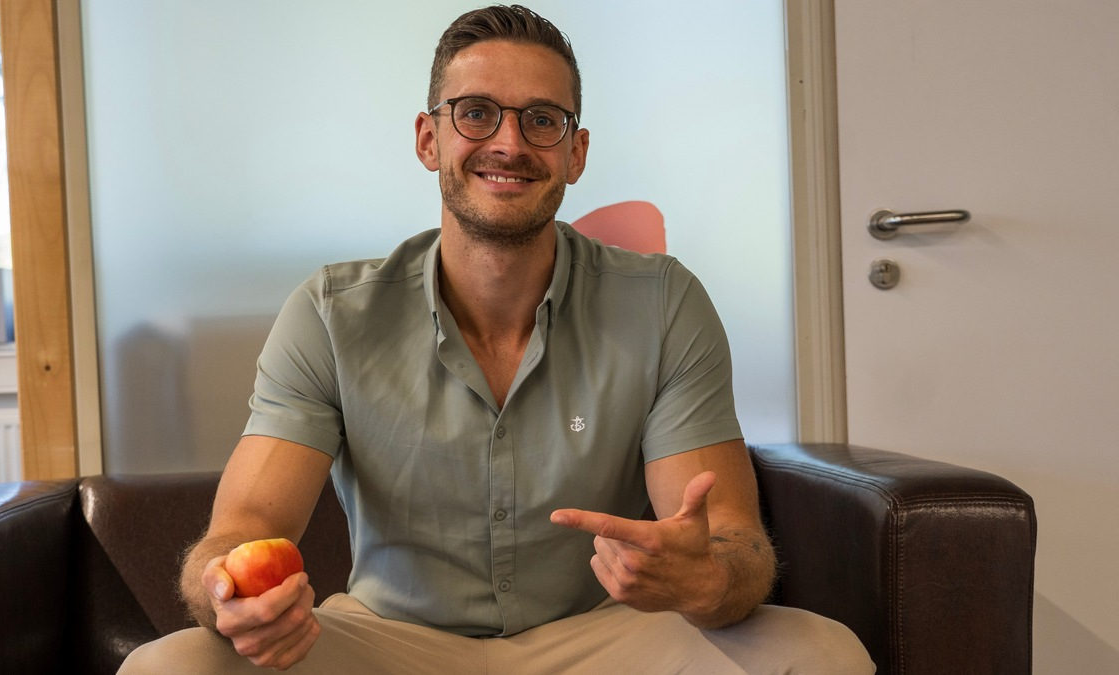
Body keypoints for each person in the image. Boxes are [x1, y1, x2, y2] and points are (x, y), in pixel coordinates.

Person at [120, 5, 874, 673]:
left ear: (575, 153)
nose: (509, 143)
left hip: (606, 636)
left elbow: (735, 542)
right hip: (391, 641)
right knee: (171, 667)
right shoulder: (329, 313)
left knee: (823, 654)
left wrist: (707, 579)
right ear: (428, 138)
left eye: (543, 119)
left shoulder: (664, 302)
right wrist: (226, 592)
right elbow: (241, 532)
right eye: (476, 112)